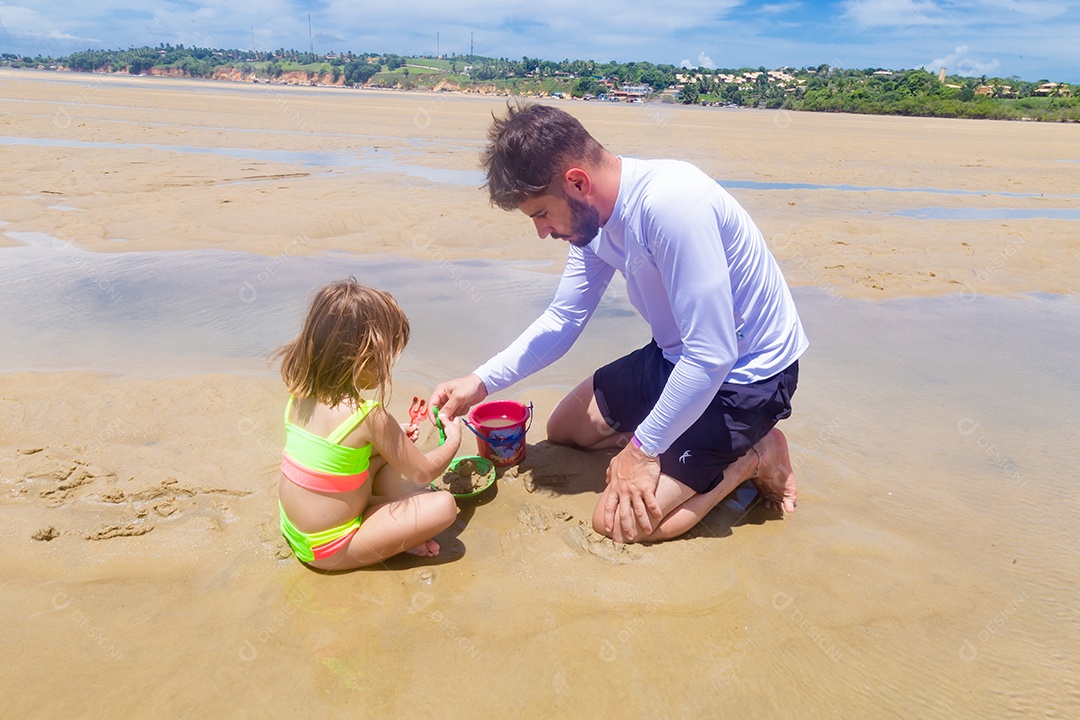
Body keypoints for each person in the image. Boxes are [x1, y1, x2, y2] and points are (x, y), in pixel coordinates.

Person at [431, 103, 808, 544]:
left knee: (618, 525)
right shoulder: (590, 223)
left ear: (577, 182)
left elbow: (714, 354)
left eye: (541, 213)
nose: (541, 231)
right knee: (565, 428)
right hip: (676, 355)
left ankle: (752, 458)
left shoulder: (672, 206)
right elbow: (565, 316)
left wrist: (641, 452)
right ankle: (680, 442)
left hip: (745, 374)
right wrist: (481, 381)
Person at [275, 279, 461, 570]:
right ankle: (388, 541)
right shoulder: (369, 415)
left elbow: (333, 451)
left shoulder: (300, 395)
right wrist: (453, 439)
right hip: (330, 548)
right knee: (443, 506)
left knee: (388, 460)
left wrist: (393, 437)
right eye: (387, 357)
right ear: (363, 357)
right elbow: (425, 472)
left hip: (296, 529)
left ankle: (387, 531)